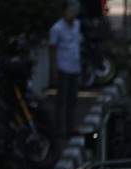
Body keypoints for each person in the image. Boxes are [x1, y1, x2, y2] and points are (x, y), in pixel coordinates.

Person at [49, 0, 82, 139]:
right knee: (62, 100)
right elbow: (52, 48)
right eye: (70, 10)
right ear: (64, 11)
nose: (72, 13)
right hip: (63, 67)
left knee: (73, 100)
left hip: (75, 67)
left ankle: (71, 126)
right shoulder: (57, 28)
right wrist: (54, 68)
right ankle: (60, 129)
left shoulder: (77, 25)